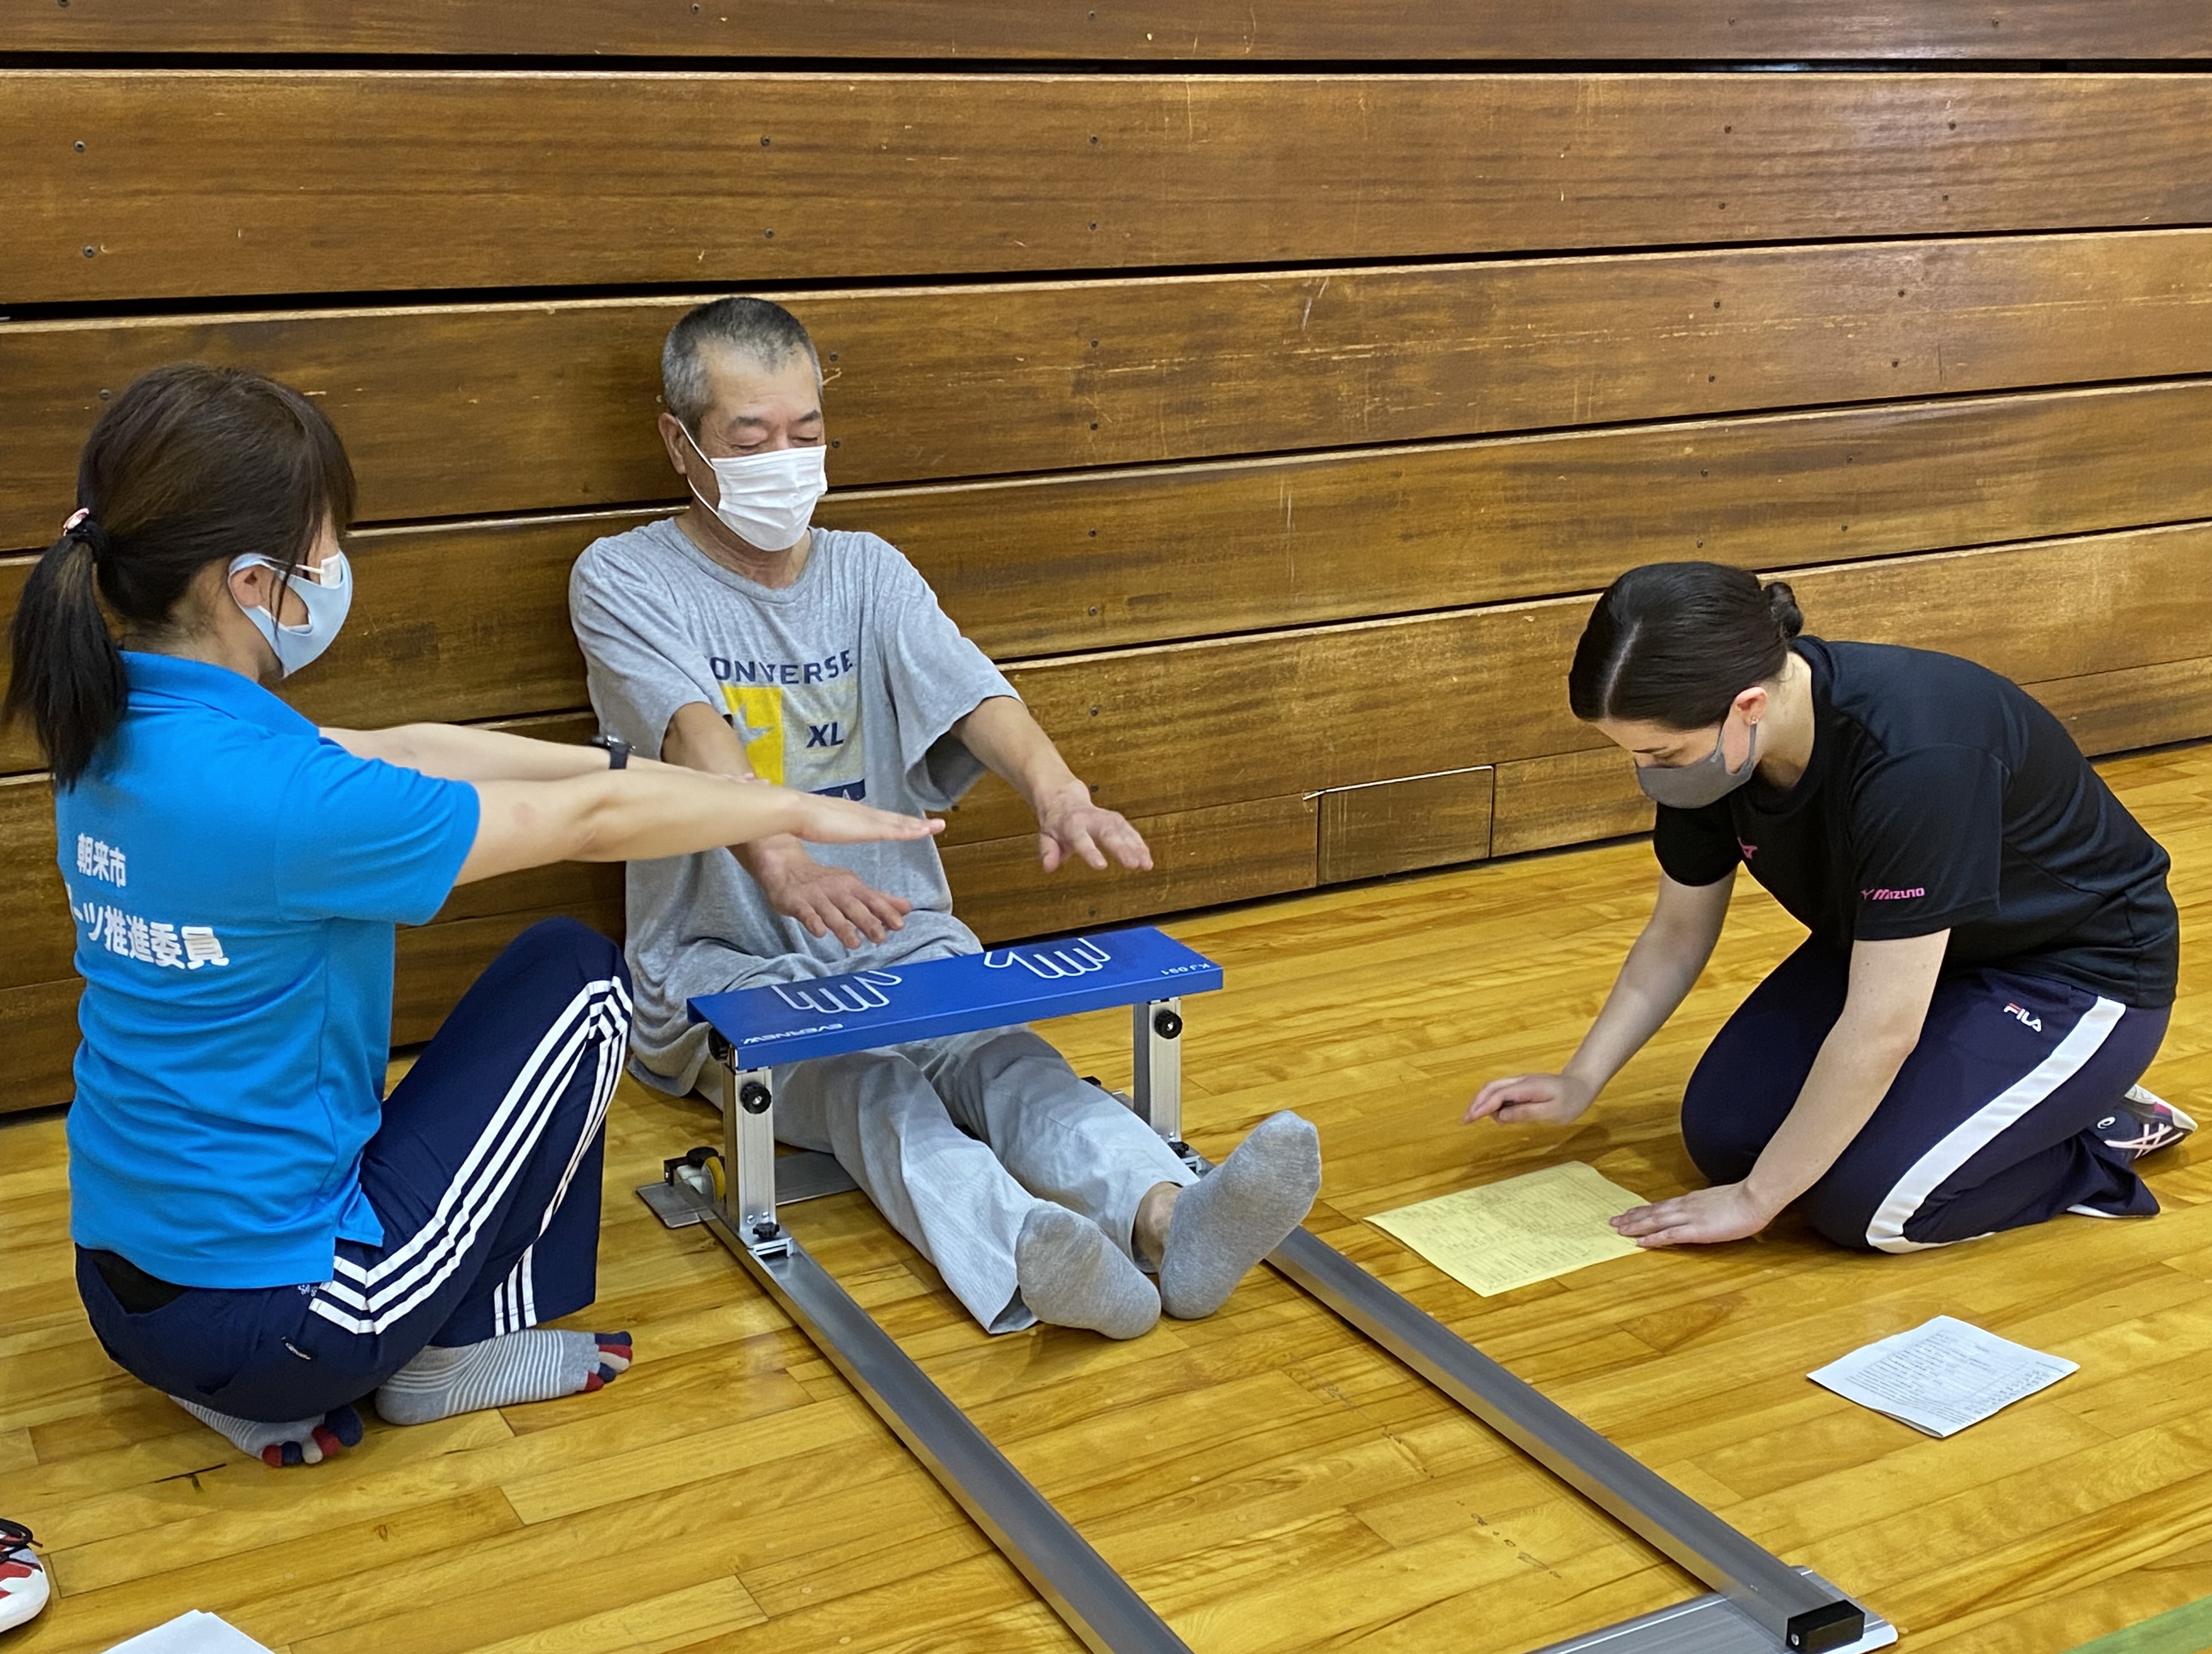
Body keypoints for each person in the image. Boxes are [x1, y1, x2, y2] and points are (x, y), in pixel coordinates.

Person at [12, 364, 941, 1467]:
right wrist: (783, 808)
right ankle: (436, 1358)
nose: (333, 570)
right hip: (290, 1322)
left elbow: (411, 746)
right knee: (582, 981)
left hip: (124, 1295)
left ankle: (247, 1388)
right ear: (251, 583)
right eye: (323, 548)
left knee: (508, 994)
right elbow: (593, 825)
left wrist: (625, 760)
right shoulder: (287, 803)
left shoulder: (118, 725)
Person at [570, 296, 1319, 1340]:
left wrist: (1060, 792)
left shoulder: (870, 569)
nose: (785, 458)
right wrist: (781, 865)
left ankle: (1169, 1221)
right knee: (873, 1086)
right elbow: (695, 731)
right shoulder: (623, 576)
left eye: (807, 432)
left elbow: (975, 695)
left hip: (900, 933)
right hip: (724, 971)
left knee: (1007, 1059)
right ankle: (1024, 1250)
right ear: (681, 441)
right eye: (752, 438)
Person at [1468, 561, 2188, 1253]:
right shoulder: (1713, 755)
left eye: (1660, 752)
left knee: (1866, 1206)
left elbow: (1882, 1028)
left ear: (1748, 706)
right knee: (1728, 1138)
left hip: (2068, 973)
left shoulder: (1917, 759)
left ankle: (2091, 1131)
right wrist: (1581, 1078)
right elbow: (1678, 932)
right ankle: (2007, 1100)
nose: (1646, 771)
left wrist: (1754, 1204)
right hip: (1902, 952)